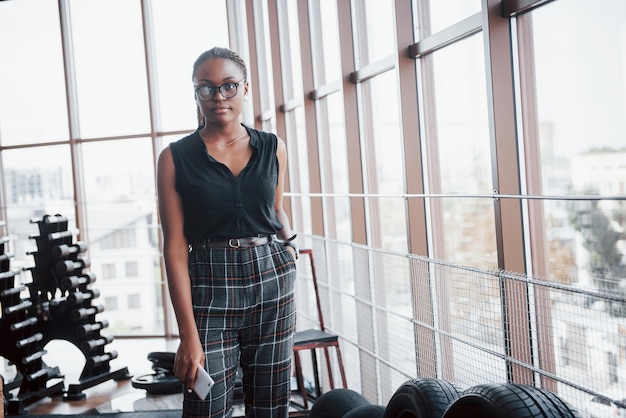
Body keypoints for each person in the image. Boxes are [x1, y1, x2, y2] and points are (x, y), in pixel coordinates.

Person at [157, 46, 299, 418]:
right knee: (206, 406)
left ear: (245, 88)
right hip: (209, 280)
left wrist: (291, 247)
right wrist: (187, 336)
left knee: (271, 404)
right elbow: (174, 247)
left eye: (228, 86)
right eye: (206, 88)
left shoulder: (273, 147)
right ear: (196, 94)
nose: (218, 97)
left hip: (273, 279)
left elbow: (276, 208)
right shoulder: (174, 157)